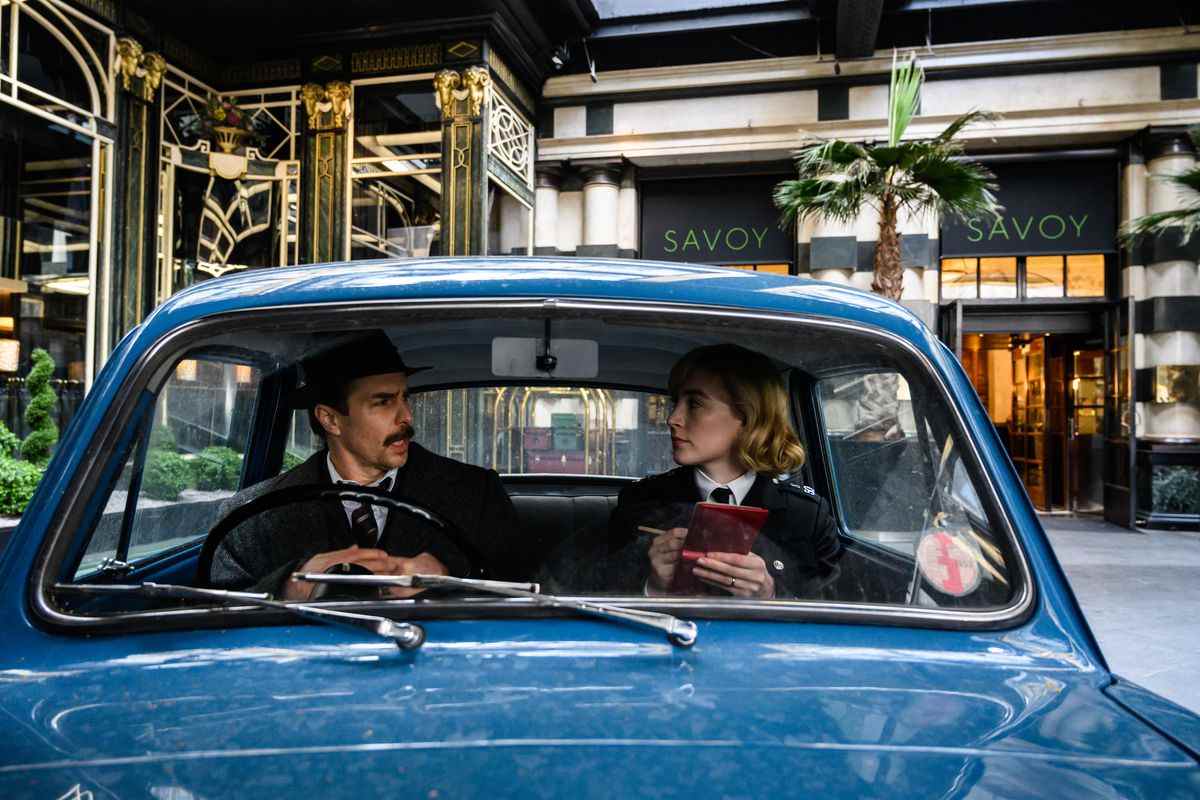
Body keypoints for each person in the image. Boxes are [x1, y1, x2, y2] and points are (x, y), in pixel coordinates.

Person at [209, 330, 523, 600]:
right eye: (384, 402)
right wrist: (290, 585)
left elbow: (524, 599)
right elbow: (216, 620)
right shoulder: (251, 518)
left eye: (405, 398)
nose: (406, 417)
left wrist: (449, 581)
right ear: (330, 419)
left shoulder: (475, 495)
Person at [607, 344, 841, 599]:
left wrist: (771, 596)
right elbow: (593, 591)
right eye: (677, 403)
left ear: (747, 417)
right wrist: (652, 588)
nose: (672, 418)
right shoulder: (641, 501)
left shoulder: (806, 516)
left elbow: (841, 620)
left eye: (694, 403)